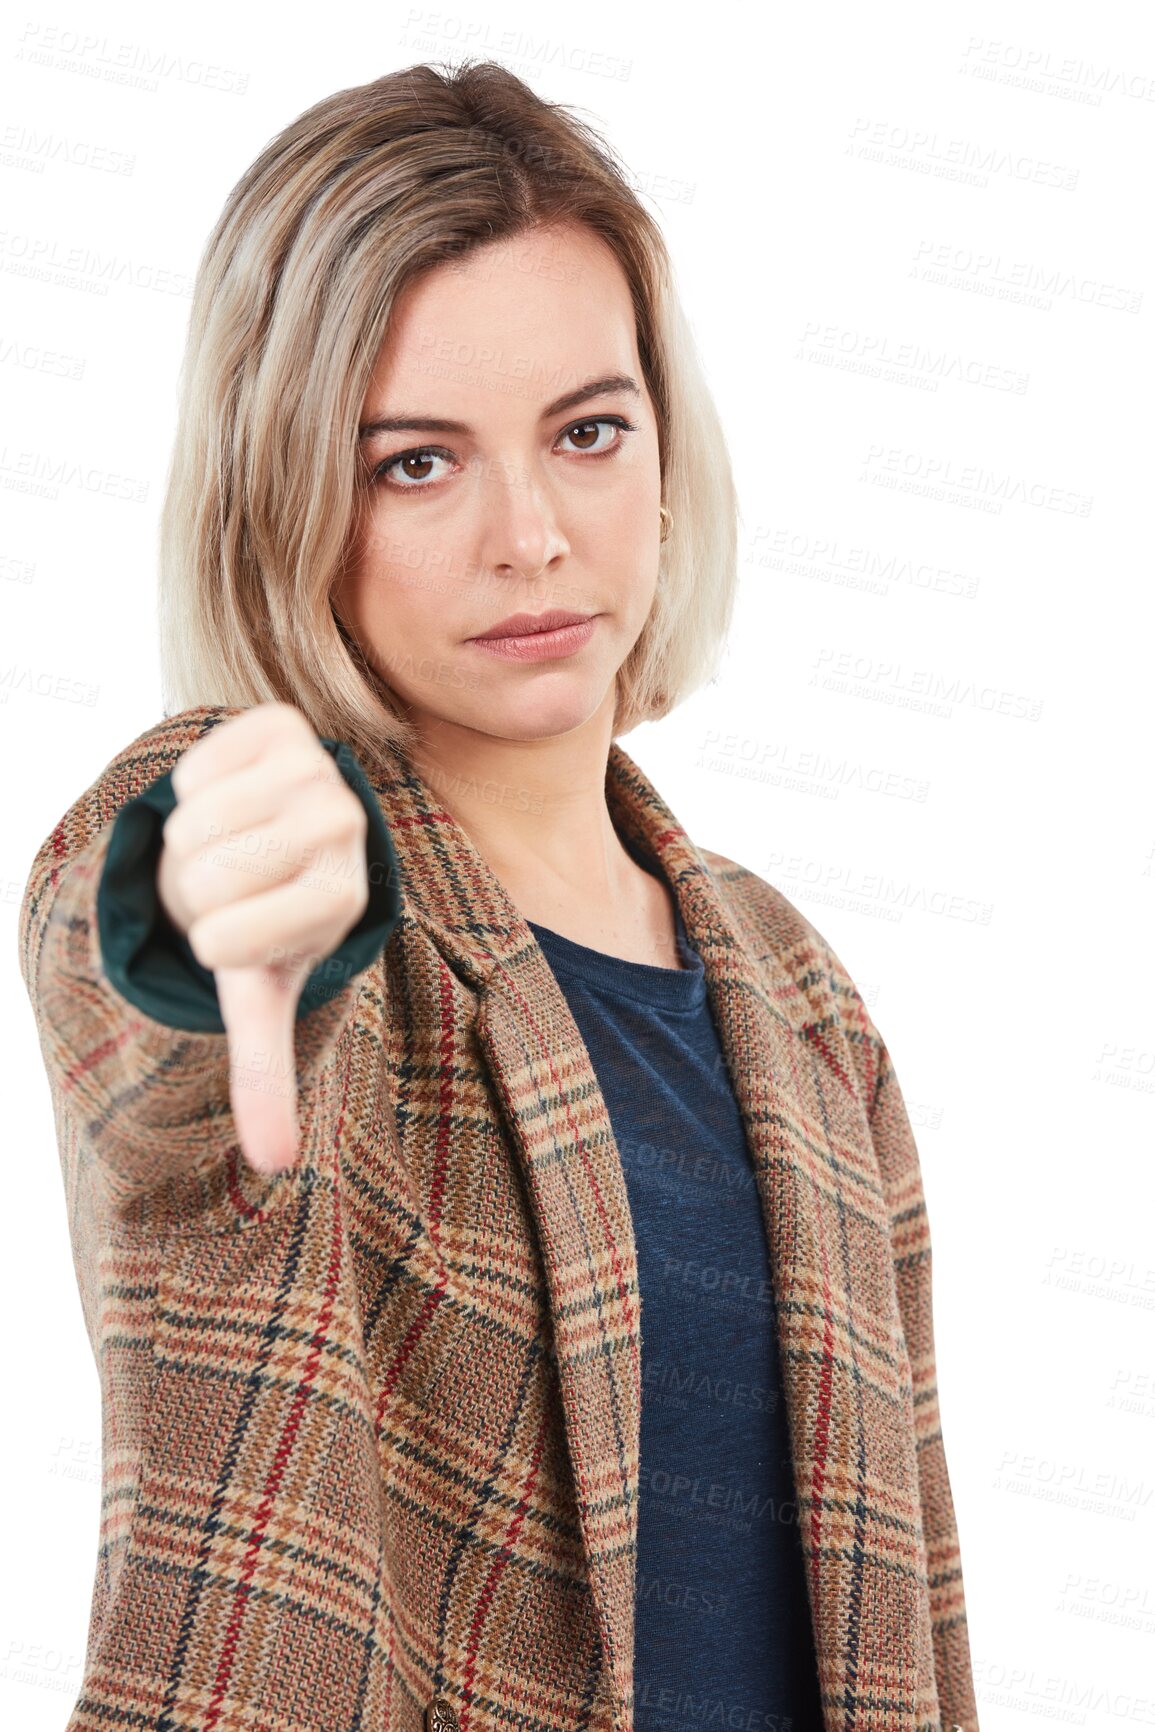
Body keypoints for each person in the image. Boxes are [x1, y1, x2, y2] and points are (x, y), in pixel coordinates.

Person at [18, 59, 980, 1732]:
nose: (531, 534)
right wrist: (211, 923)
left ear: (665, 457)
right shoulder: (286, 873)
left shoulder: (800, 994)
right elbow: (162, 1000)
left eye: (587, 432)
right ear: (286, 500)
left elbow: (919, 1608)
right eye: (416, 463)